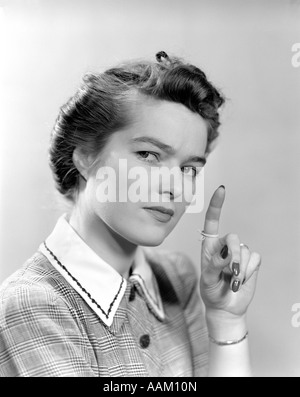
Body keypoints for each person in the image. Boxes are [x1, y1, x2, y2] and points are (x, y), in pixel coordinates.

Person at [0, 51, 261, 377]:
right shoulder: (33, 305)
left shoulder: (177, 278)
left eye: (189, 168)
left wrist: (226, 320)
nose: (175, 188)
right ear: (85, 157)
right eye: (148, 155)